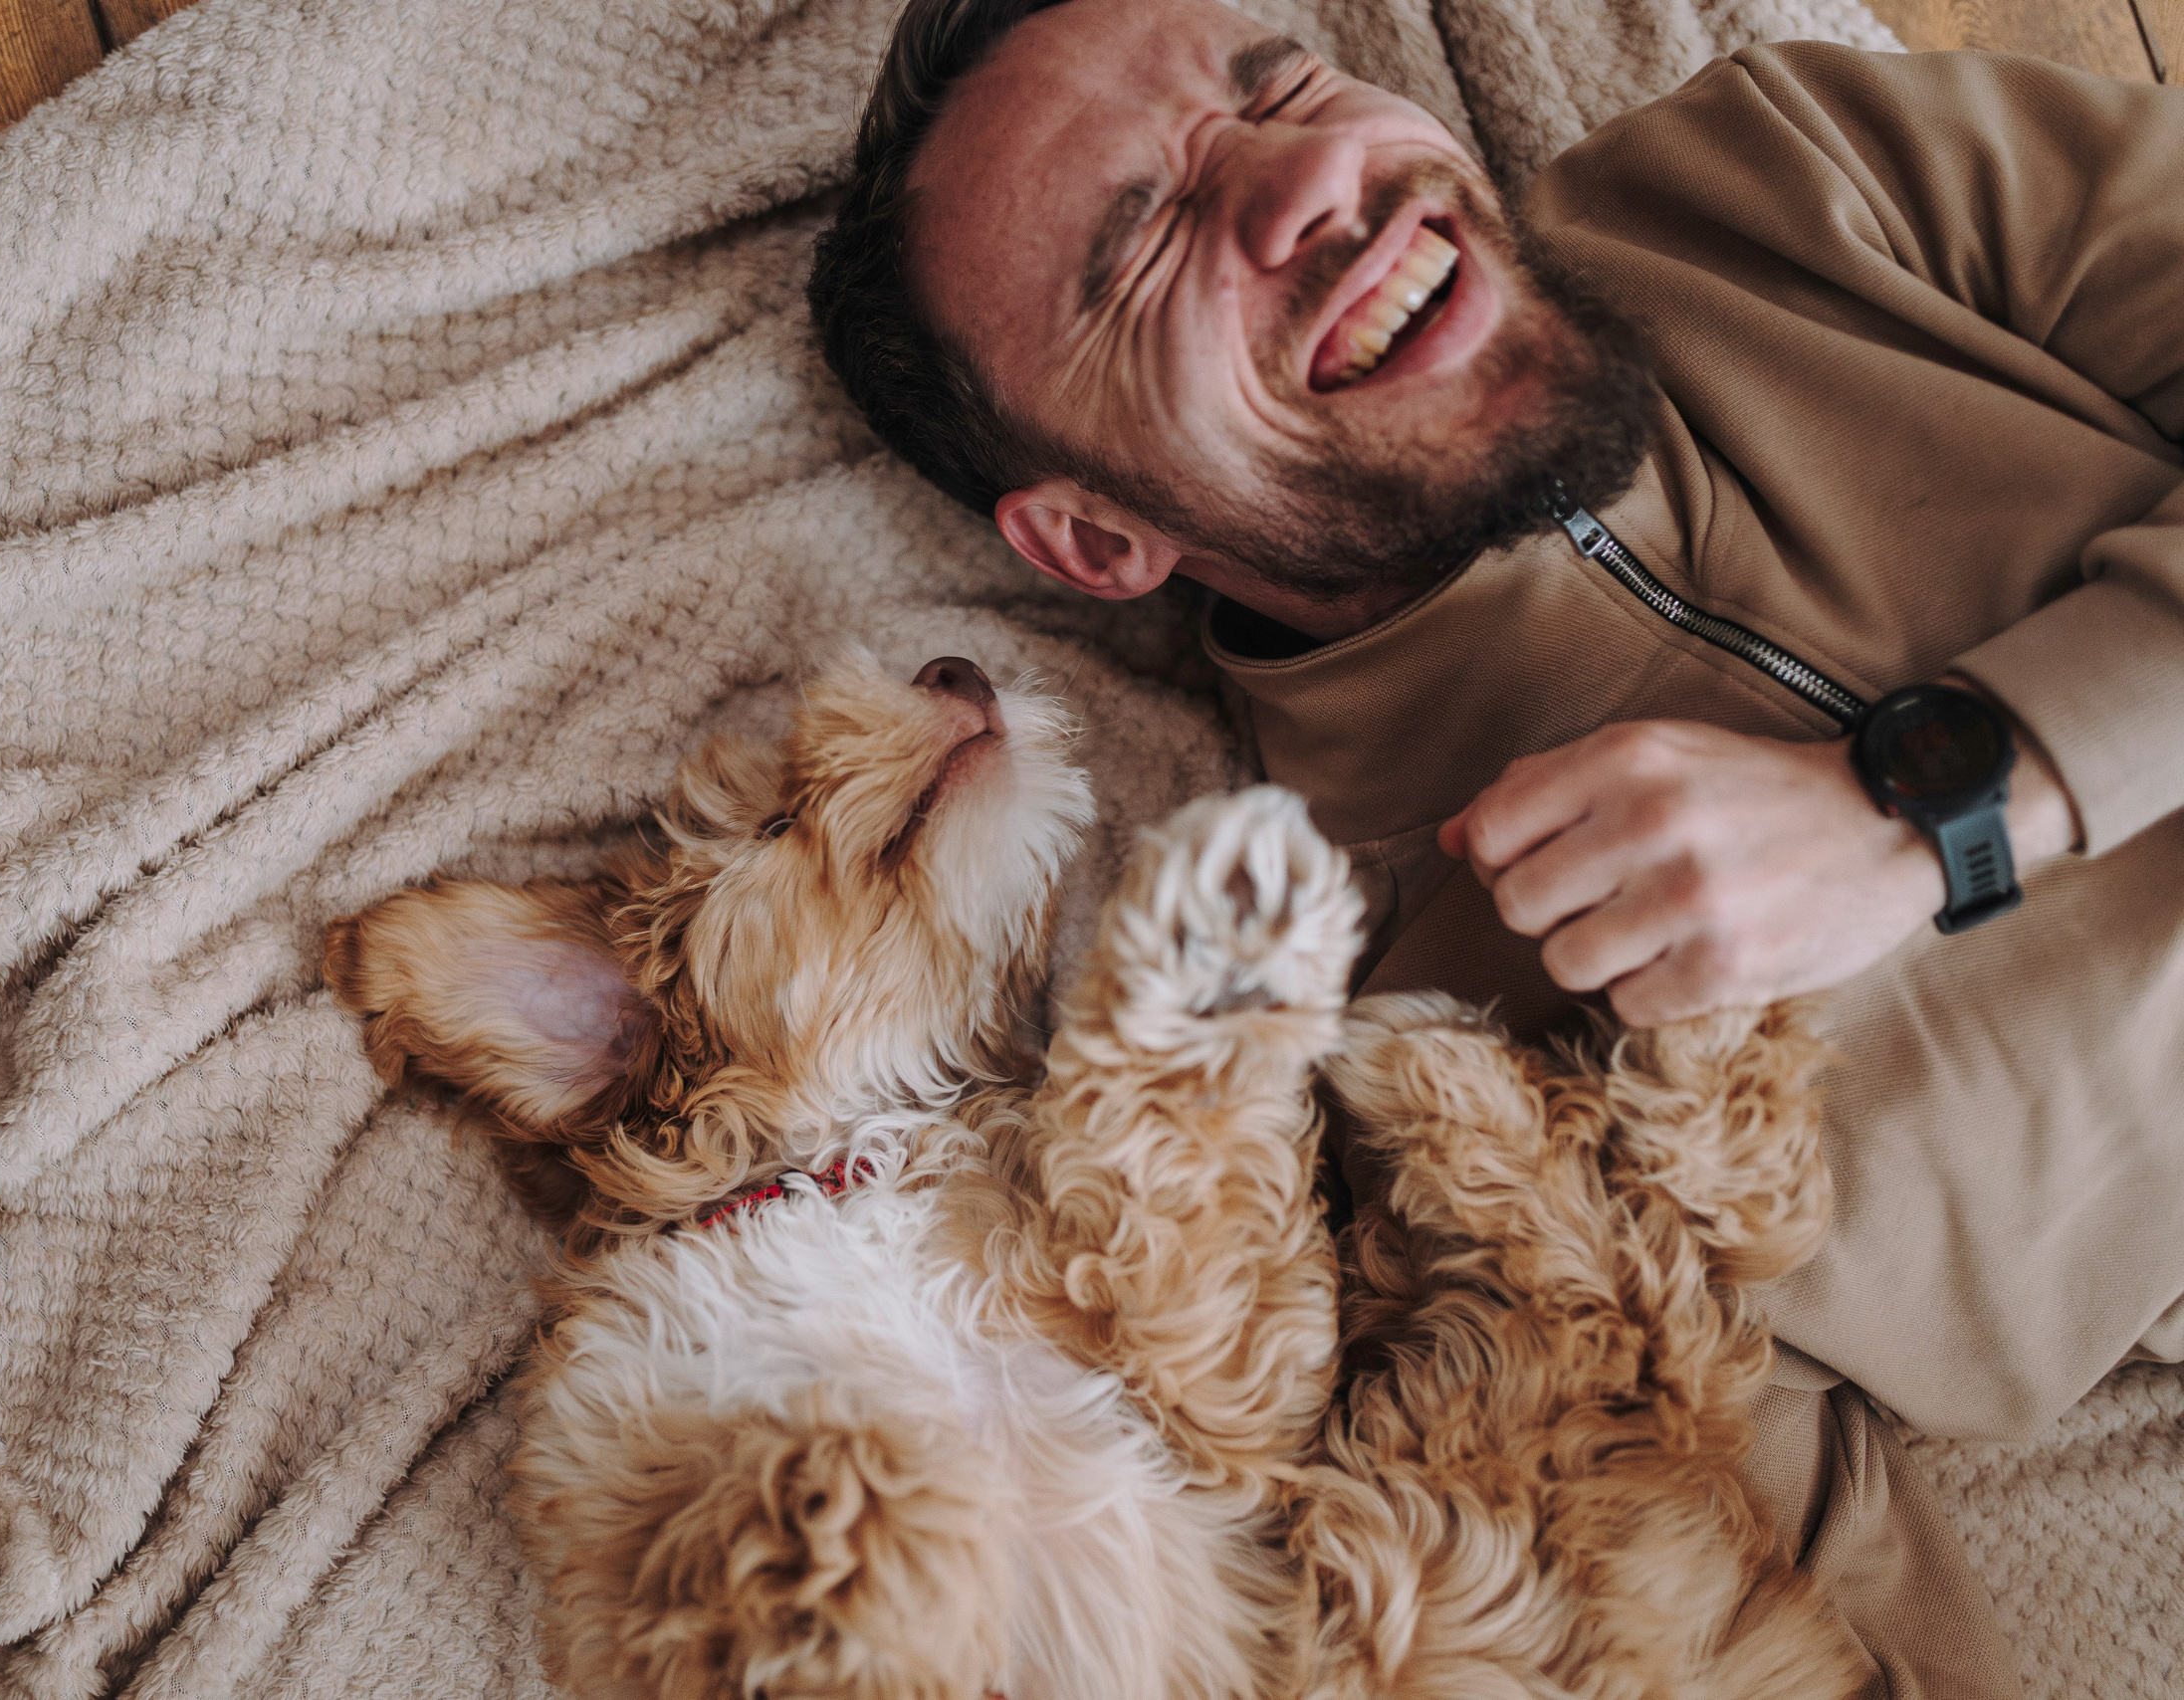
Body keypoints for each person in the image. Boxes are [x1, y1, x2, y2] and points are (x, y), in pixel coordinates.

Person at [805, 2, 2184, 1694]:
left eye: (1282, 85)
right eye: (1147, 241)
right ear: (1097, 537)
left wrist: (1929, 804)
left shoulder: (1785, 167)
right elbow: (1783, 1625)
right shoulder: (1413, 1083)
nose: (1309, 174)